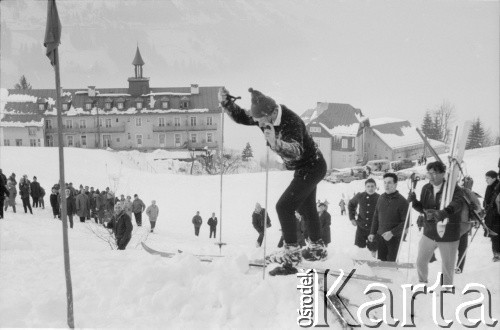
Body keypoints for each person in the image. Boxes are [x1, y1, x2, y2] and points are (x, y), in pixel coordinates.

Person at [219, 87, 327, 269]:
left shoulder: (292, 121)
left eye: (261, 121)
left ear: (272, 113)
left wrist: (276, 143)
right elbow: (243, 117)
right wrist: (226, 103)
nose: (259, 125)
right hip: (306, 167)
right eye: (257, 121)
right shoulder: (263, 115)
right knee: (307, 207)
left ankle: (291, 253)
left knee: (284, 206)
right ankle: (317, 248)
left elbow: (296, 151)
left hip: (313, 166)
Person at [409, 161, 465, 285]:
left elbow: (457, 204)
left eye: (434, 173)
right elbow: (424, 209)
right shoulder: (426, 188)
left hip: (448, 234)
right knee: (420, 261)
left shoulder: (453, 188)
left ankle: (447, 289)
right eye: (429, 173)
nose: (431, 176)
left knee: (447, 266)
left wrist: (444, 212)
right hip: (430, 232)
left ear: (442, 173)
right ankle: (422, 282)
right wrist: (414, 202)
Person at [369, 173, 409, 262]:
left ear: (395, 184)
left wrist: (392, 233)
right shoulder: (381, 198)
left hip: (394, 239)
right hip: (380, 237)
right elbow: (376, 217)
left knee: (391, 265)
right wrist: (372, 232)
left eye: (389, 183)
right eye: (385, 182)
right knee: (381, 264)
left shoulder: (402, 201)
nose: (386, 185)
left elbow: (406, 222)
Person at [348, 178, 380, 255]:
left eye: (372, 186)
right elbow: (351, 204)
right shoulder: (360, 196)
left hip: (373, 229)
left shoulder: (380, 197)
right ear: (365, 187)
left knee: (373, 249)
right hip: (361, 227)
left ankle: (372, 264)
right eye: (368, 186)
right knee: (359, 249)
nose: (370, 188)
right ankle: (360, 266)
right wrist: (352, 218)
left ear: (375, 187)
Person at [484, 170, 500, 262]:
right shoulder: (489, 187)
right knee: (494, 235)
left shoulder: (497, 187)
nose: (486, 180)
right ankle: (496, 254)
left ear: (494, 178)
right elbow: (486, 201)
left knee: (496, 235)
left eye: (488, 178)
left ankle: (497, 254)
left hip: (497, 215)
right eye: (485, 178)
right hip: (491, 215)